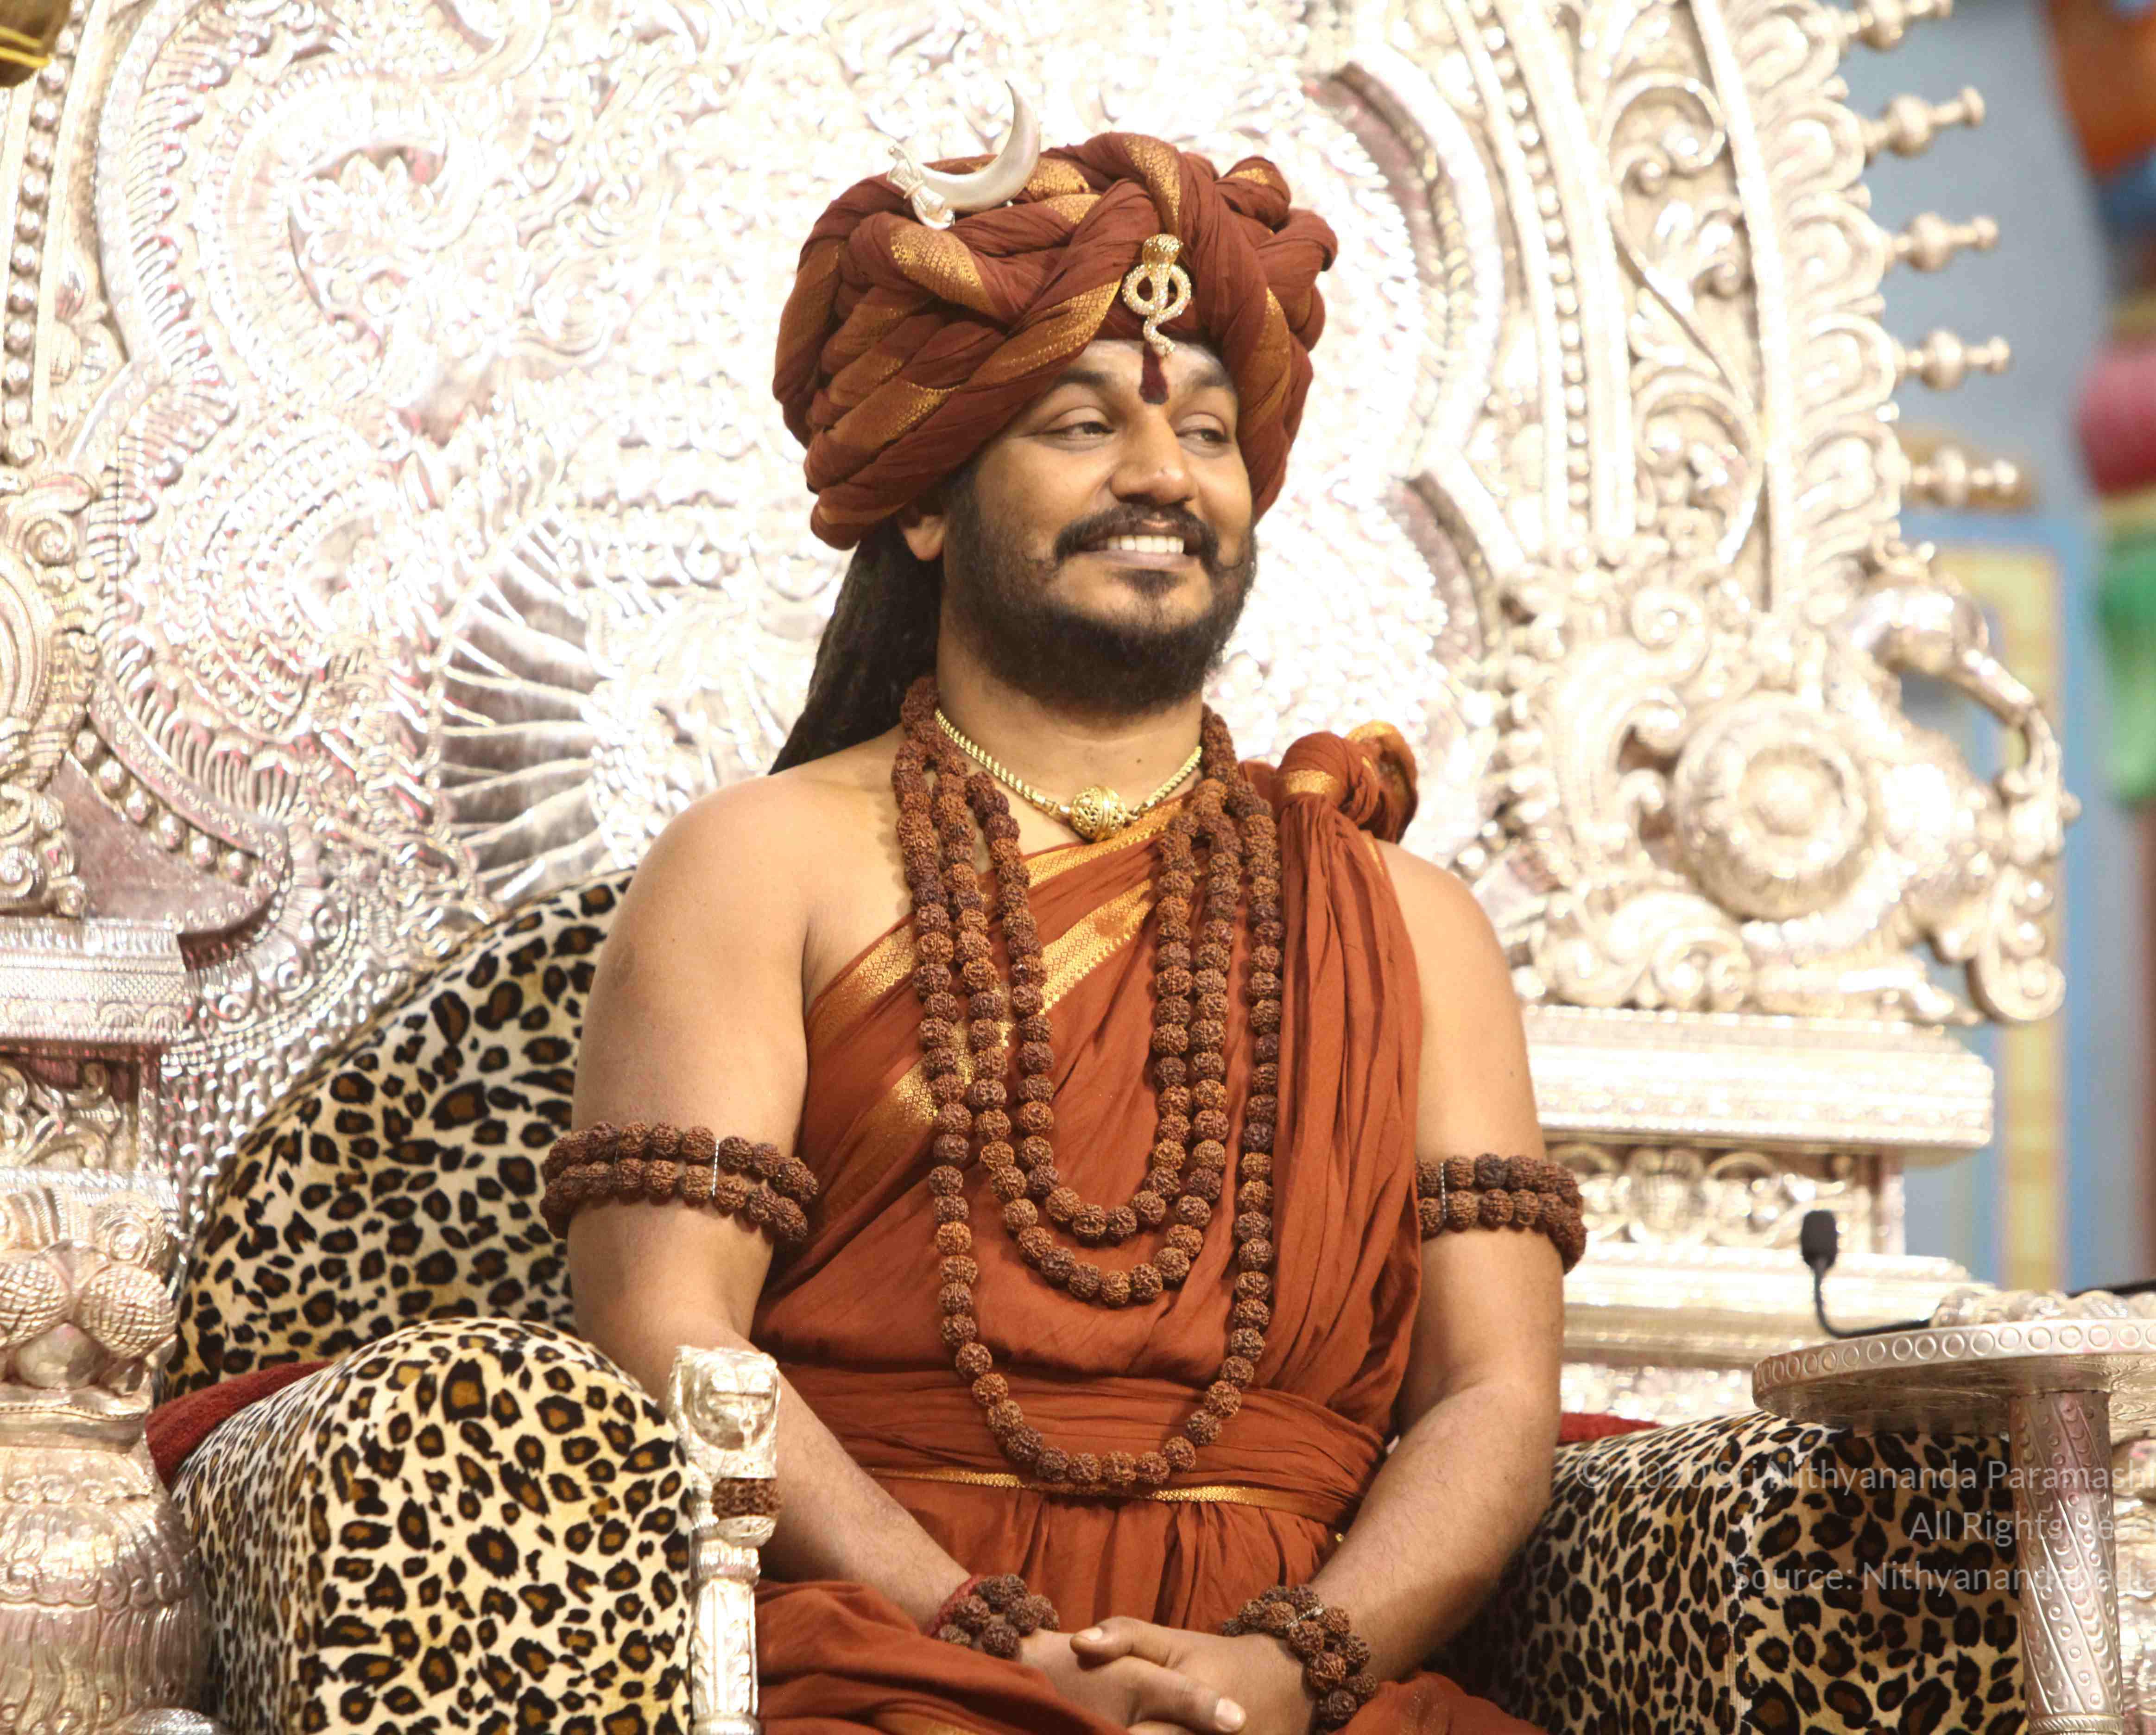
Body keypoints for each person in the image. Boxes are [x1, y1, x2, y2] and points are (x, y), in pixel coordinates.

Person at [541, 128, 1580, 1735]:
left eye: (1209, 434)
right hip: (879, 1663)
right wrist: (978, 1640)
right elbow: (666, 1330)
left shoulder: (1408, 926)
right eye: (1083, 424)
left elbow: (1492, 1396)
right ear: (928, 502)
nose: (1162, 476)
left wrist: (1286, 1669)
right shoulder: (763, 865)